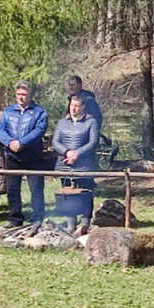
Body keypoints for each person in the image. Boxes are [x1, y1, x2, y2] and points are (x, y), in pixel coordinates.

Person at [0, 81, 49, 227]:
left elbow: (39, 131)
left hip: (33, 157)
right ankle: (15, 219)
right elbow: (0, 130)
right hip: (12, 157)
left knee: (36, 190)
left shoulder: (40, 112)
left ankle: (37, 219)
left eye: (24, 95)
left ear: (30, 96)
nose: (21, 97)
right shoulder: (8, 111)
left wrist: (21, 143)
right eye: (18, 94)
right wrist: (10, 143)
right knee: (13, 190)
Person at [52, 94, 100, 234]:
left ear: (83, 107)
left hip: (84, 164)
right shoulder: (62, 122)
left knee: (86, 194)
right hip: (65, 164)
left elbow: (93, 142)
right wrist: (67, 152)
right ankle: (70, 224)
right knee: (68, 194)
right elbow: (55, 141)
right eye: (72, 105)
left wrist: (77, 154)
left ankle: (85, 224)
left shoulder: (91, 122)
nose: (73, 108)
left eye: (77, 106)